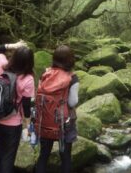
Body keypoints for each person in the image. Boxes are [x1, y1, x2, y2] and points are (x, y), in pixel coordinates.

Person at [35, 45, 79, 173]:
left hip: (44, 120)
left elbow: (38, 95)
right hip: (64, 123)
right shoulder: (72, 77)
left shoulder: (45, 73)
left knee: (43, 156)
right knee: (65, 158)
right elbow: (72, 102)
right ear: (71, 60)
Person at [0, 40, 35, 173]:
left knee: (1, 150)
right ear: (30, 63)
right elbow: (26, 105)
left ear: (14, 57)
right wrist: (28, 125)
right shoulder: (28, 79)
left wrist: (14, 45)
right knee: (8, 157)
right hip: (13, 124)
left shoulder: (3, 66)